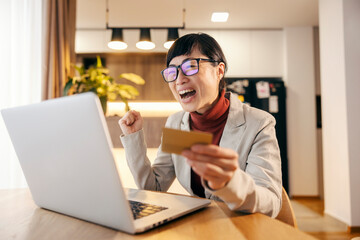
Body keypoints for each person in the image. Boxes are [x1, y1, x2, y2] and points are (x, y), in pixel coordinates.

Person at [119, 33, 282, 217]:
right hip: (201, 226)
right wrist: (133, 137)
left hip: (243, 228)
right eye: (173, 72)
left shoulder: (258, 124)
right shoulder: (177, 124)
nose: (179, 79)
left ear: (219, 71)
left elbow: (271, 203)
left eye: (190, 66)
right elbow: (154, 188)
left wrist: (231, 183)